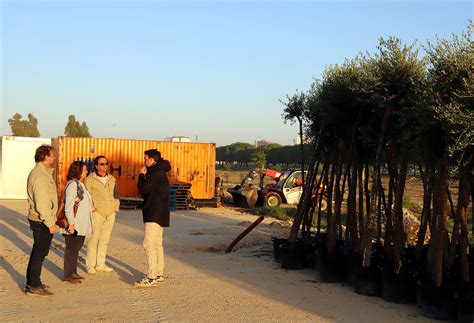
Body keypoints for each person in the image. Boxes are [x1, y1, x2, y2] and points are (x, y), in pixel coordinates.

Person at [25, 145, 58, 296]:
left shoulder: (42, 173)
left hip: (41, 219)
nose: (54, 158)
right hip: (41, 221)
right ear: (45, 157)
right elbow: (42, 202)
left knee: (38, 252)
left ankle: (33, 282)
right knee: (39, 253)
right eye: (52, 155)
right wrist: (50, 223)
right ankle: (34, 285)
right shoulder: (40, 175)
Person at [135, 149, 171, 287]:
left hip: (154, 213)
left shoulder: (155, 174)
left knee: (149, 244)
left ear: (151, 160)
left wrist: (141, 176)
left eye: (145, 159)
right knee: (157, 244)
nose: (143, 161)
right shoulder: (160, 171)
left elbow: (143, 190)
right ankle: (158, 273)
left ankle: (151, 276)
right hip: (160, 213)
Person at [84, 155, 120, 274]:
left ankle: (100, 264)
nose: (105, 166)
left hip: (110, 213)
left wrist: (116, 207)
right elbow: (86, 196)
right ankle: (90, 265)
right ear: (96, 166)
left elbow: (116, 195)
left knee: (104, 240)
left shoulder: (112, 179)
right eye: (102, 164)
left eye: (106, 163)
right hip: (97, 213)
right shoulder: (90, 179)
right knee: (93, 240)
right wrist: (91, 208)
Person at [62, 161, 93, 283]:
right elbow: (68, 206)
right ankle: (68, 275)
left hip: (80, 224)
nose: (86, 171)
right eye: (84, 169)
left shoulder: (80, 184)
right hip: (74, 224)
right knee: (71, 249)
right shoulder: (72, 185)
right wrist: (71, 224)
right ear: (78, 170)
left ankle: (73, 272)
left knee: (76, 249)